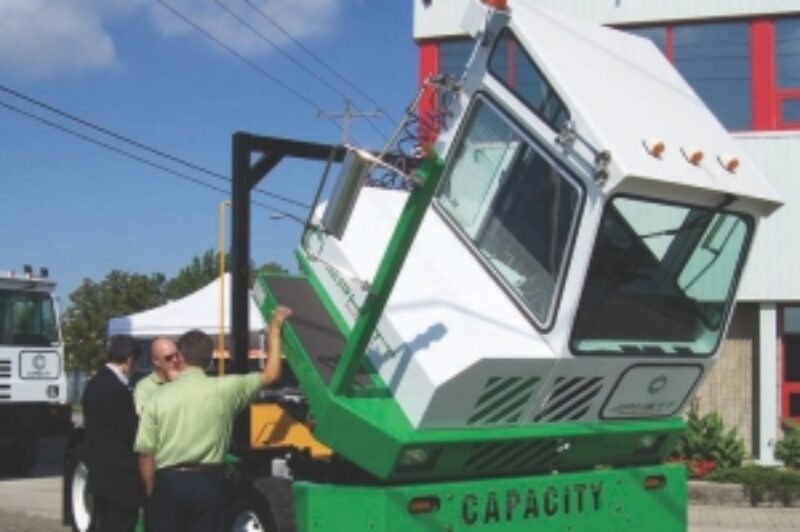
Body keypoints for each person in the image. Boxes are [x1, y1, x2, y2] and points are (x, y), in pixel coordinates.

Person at [135, 306, 292, 532]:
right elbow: (271, 374)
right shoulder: (226, 389)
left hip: (168, 482)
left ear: (180, 357)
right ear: (210, 359)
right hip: (209, 483)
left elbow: (145, 452)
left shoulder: (157, 397)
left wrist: (151, 489)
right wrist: (275, 329)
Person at [82, 335, 144, 532]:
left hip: (101, 471)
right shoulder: (115, 389)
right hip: (120, 476)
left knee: (101, 522)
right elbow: (130, 430)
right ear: (129, 360)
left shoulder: (94, 384)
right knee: (119, 524)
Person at [133, 337, 181, 415]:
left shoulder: (185, 379)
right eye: (169, 358)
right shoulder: (145, 387)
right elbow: (145, 416)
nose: (175, 360)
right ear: (156, 361)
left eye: (177, 356)